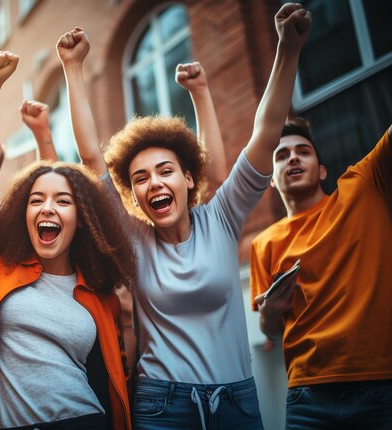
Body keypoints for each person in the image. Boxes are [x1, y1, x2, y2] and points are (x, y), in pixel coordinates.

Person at [58, 3, 311, 429]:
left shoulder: (223, 216)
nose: (154, 183)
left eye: (165, 171)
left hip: (237, 401)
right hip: (162, 405)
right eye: (141, 178)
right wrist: (72, 68)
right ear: (133, 195)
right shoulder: (134, 238)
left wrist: (288, 48)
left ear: (189, 178)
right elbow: (90, 158)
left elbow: (266, 131)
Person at [0, 50, 135, 430]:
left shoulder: (98, 294)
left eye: (63, 201)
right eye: (35, 200)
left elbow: (117, 375)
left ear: (80, 220)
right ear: (21, 215)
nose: (47, 208)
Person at [250, 117, 392, 429]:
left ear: (322, 170)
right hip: (306, 397)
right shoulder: (263, 244)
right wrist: (269, 313)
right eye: (281, 155)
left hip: (381, 385)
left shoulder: (363, 185)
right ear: (271, 179)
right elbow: (271, 331)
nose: (293, 157)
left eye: (303, 151)